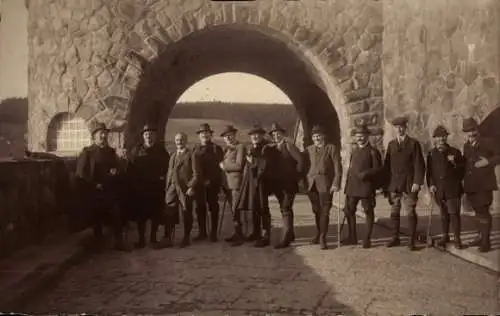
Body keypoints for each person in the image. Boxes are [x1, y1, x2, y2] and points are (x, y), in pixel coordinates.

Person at [75, 121, 127, 251]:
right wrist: (94, 184)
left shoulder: (110, 152)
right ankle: (98, 244)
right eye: (100, 134)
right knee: (96, 218)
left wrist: (116, 170)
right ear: (94, 137)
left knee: (116, 215)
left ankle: (118, 243)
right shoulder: (87, 152)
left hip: (109, 191)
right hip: (94, 192)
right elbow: (80, 174)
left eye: (105, 134)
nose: (103, 136)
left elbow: (118, 168)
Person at [382, 116, 425, 251]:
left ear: (406, 128)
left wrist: (417, 182)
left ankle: (411, 240)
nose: (399, 129)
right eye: (397, 127)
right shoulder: (391, 145)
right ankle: (395, 237)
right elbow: (387, 166)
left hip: (409, 184)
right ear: (395, 129)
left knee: (410, 211)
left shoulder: (413, 144)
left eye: (402, 127)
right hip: (394, 184)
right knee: (394, 211)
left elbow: (419, 165)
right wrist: (386, 184)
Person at [128, 124, 170, 249]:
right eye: (146, 134)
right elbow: (131, 168)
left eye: (151, 134)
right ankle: (141, 239)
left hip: (156, 188)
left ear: (155, 136)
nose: (149, 137)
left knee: (155, 214)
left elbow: (168, 167)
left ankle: (153, 239)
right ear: (143, 136)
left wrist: (163, 178)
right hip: (141, 189)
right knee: (141, 215)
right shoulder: (137, 150)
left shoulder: (161, 151)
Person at [461, 117, 500, 252]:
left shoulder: (487, 142)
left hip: (484, 184)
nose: (470, 134)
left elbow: (498, 156)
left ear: (477, 129)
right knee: (477, 212)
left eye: (472, 130)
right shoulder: (466, 145)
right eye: (467, 131)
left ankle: (486, 242)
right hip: (472, 185)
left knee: (484, 211)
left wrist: (488, 162)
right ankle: (480, 236)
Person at [343, 124, 383, 248]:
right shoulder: (354, 151)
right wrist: (346, 188)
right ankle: (352, 237)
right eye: (358, 136)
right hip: (353, 187)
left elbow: (378, 169)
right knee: (349, 211)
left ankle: (367, 239)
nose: (360, 138)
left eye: (362, 136)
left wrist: (366, 173)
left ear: (367, 136)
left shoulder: (373, 151)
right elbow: (350, 169)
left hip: (366, 186)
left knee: (368, 211)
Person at [426, 125, 465, 249]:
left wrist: (454, 163)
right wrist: (431, 185)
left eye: (443, 136)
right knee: (443, 214)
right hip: (439, 190)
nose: (441, 139)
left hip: (452, 189)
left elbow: (462, 171)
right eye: (438, 137)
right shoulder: (431, 154)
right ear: (435, 139)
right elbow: (429, 173)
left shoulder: (455, 152)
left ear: (446, 137)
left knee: (454, 214)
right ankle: (445, 236)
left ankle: (457, 239)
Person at [304, 125, 342, 250]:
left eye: (319, 136)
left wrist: (336, 183)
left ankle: (322, 238)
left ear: (324, 136)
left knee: (325, 212)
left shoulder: (331, 148)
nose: (317, 138)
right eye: (314, 136)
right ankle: (318, 234)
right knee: (316, 211)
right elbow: (302, 164)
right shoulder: (309, 149)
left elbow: (337, 167)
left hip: (326, 184)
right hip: (312, 185)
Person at [235, 125, 274, 247]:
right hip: (252, 182)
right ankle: (256, 233)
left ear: (262, 136)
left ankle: (266, 235)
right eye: (253, 135)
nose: (255, 137)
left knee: (263, 207)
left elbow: (266, 165)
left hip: (262, 182)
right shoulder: (252, 148)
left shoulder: (266, 148)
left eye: (257, 134)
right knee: (254, 207)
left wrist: (254, 162)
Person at [268, 122, 304, 249]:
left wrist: (297, 176)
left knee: (286, 208)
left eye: (278, 133)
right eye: (274, 134)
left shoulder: (289, 146)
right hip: (278, 185)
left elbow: (300, 160)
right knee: (284, 208)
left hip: (289, 183)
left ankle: (285, 238)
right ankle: (291, 233)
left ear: (282, 134)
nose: (276, 136)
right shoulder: (272, 148)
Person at [164, 132, 200, 248]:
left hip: (185, 188)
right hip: (172, 187)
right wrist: (168, 186)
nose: (179, 142)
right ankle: (168, 238)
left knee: (186, 212)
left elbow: (196, 174)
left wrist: (191, 187)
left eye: (181, 140)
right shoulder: (173, 155)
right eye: (177, 140)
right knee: (169, 211)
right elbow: (170, 172)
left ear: (186, 141)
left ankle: (186, 237)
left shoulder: (191, 155)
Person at [192, 123, 224, 242]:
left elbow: (220, 167)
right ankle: (202, 232)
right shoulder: (195, 149)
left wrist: (210, 180)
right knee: (200, 207)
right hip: (199, 184)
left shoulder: (217, 148)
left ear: (210, 135)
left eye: (207, 133)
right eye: (202, 133)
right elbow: (194, 167)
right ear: (199, 136)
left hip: (213, 183)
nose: (204, 135)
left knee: (213, 206)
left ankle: (213, 233)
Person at [219, 125, 246, 246]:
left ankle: (240, 236)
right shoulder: (227, 149)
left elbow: (239, 165)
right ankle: (237, 233)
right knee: (233, 210)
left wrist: (225, 167)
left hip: (235, 184)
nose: (228, 138)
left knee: (236, 210)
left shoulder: (240, 147)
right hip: (227, 185)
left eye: (230, 135)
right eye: (225, 136)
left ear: (234, 135)